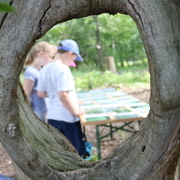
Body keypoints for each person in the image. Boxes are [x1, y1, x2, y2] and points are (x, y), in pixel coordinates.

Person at [37, 39, 89, 158]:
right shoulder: (63, 69)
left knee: (60, 155)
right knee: (77, 155)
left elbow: (41, 93)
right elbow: (63, 95)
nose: (73, 61)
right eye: (74, 58)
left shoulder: (44, 68)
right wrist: (75, 111)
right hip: (67, 118)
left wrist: (72, 100)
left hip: (52, 118)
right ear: (69, 53)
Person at [23, 41, 56, 122]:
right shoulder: (30, 71)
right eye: (50, 56)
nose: (51, 60)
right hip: (37, 110)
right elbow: (26, 94)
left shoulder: (40, 70)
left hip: (44, 109)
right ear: (41, 54)